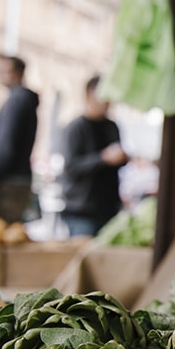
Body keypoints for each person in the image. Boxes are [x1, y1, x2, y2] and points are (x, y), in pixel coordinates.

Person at [60, 75, 128, 237]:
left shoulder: (112, 127)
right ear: (89, 96)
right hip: (81, 209)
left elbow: (117, 161)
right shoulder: (76, 128)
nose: (106, 103)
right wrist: (102, 158)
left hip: (109, 207)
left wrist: (123, 158)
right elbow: (71, 167)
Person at [0, 54, 39, 223]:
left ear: (17, 73)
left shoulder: (18, 101)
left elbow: (7, 141)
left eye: (5, 70)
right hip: (15, 177)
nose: (0, 74)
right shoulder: (20, 100)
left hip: (9, 181)